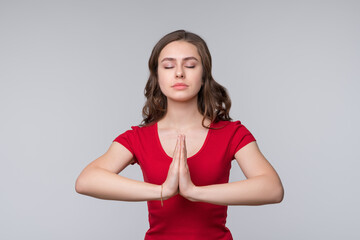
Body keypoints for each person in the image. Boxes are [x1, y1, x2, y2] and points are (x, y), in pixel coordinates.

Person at [75, 29, 284, 240]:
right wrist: (163, 191)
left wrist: (194, 192)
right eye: (168, 66)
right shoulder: (138, 137)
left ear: (204, 76)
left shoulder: (231, 133)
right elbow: (86, 181)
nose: (179, 73)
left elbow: (272, 188)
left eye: (190, 65)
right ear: (157, 77)